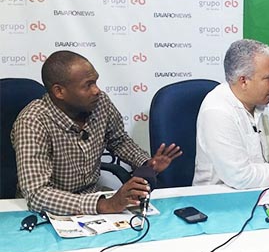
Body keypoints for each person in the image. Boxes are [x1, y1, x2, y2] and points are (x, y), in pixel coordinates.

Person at [11, 50, 182, 215]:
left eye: (95, 82)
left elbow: (119, 141)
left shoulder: (100, 103)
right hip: (52, 207)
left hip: (94, 196)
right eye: (88, 85)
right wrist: (104, 205)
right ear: (59, 91)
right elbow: (36, 194)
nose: (96, 90)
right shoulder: (32, 121)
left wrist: (146, 163)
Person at [193, 39, 269, 189]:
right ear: (243, 81)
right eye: (268, 77)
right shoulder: (217, 111)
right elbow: (240, 178)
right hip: (219, 199)